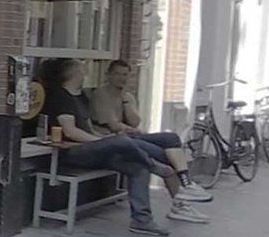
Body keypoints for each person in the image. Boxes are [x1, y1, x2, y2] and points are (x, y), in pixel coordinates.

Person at [44, 59, 210, 235]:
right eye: (82, 71)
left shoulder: (81, 97)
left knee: (138, 168)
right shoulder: (62, 97)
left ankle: (142, 220)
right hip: (73, 151)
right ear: (73, 74)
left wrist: (103, 138)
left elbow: (93, 126)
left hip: (98, 149)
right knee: (122, 141)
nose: (85, 75)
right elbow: (70, 132)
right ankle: (162, 170)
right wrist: (100, 140)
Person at [88, 59, 212, 203]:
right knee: (166, 157)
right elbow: (114, 125)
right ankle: (181, 203)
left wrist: (125, 101)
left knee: (171, 138)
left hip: (130, 136)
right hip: (114, 139)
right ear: (108, 75)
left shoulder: (127, 96)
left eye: (125, 75)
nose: (121, 78)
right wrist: (134, 130)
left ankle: (186, 184)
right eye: (117, 74)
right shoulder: (101, 94)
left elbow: (135, 121)